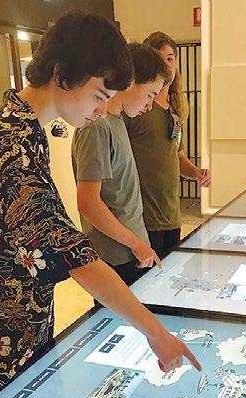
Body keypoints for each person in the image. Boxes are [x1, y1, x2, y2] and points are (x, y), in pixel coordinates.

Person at [0, 14, 201, 398]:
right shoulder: (9, 143)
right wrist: (155, 332)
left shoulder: (25, 130)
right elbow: (68, 251)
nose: (102, 110)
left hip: (22, 311)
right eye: (99, 95)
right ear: (62, 74)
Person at [72, 43, 170, 286]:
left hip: (132, 251)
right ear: (131, 81)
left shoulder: (117, 121)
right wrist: (135, 244)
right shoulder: (97, 126)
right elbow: (88, 202)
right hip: (115, 256)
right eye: (149, 94)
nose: (150, 105)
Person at [124, 32, 211, 258]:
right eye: (160, 58)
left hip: (171, 214)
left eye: (170, 58)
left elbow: (176, 155)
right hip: (144, 218)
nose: (167, 65)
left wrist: (196, 173)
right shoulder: (135, 108)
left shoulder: (176, 108)